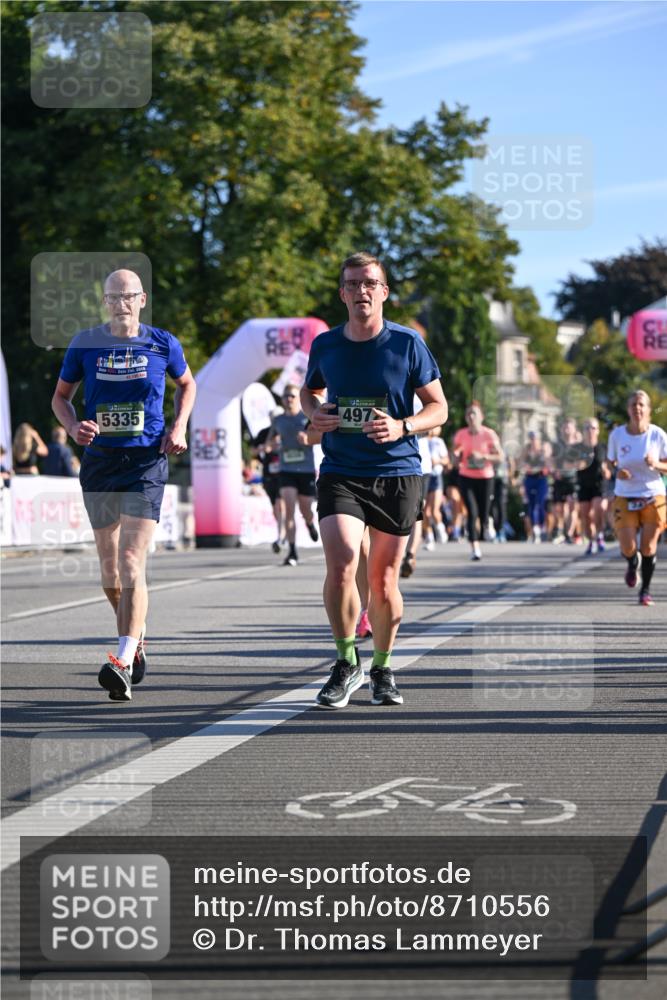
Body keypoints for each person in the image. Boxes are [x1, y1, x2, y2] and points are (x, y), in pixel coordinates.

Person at [301, 251, 447, 708]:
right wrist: (314, 413)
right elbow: (311, 389)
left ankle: (382, 668)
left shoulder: (406, 344)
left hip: (396, 473)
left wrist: (403, 425)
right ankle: (347, 662)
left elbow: (439, 408)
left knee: (382, 581)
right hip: (342, 469)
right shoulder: (326, 345)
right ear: (342, 293)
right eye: (352, 284)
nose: (361, 291)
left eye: (370, 283)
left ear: (383, 291)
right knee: (342, 560)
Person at [51, 268, 196, 701]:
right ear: (105, 302)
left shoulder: (162, 342)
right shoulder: (85, 344)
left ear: (142, 299)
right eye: (113, 297)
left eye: (129, 296)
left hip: (145, 462)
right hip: (99, 464)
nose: (121, 304)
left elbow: (186, 385)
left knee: (133, 562)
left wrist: (180, 426)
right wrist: (74, 425)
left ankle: (121, 657)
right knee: (111, 574)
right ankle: (138, 635)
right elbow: (60, 397)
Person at [607, 389, 667, 606]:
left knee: (649, 547)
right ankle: (633, 564)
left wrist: (656, 464)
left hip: (653, 494)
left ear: (648, 409)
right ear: (628, 409)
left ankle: (645, 590)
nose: (637, 408)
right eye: (634, 404)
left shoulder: (658, 435)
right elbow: (610, 462)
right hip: (625, 494)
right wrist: (617, 472)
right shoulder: (617, 435)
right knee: (627, 546)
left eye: (641, 404)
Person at [268, 384, 319, 566]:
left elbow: (318, 437)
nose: (288, 399)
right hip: (286, 470)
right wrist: (272, 446)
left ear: (298, 398)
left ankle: (310, 523)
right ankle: (292, 551)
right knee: (289, 509)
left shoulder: (306, 417)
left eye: (292, 396)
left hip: (305, 470)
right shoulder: (278, 420)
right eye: (285, 396)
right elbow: (270, 442)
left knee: (306, 510)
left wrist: (308, 438)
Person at [452, 403, 503, 561]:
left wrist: (484, 457)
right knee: (472, 512)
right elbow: (454, 457)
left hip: (485, 477)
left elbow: (500, 457)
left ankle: (488, 522)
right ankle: (475, 547)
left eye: (474, 414)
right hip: (466, 476)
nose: (471, 417)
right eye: (468, 414)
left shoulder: (489, 434)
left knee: (483, 511)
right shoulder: (461, 434)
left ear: (481, 417)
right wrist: (455, 456)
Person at [575, 418, 609, 555]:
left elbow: (610, 465)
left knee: (598, 508)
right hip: (583, 484)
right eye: (587, 428)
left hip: (598, 484)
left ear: (598, 430)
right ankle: (591, 540)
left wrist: (607, 471)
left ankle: (600, 535)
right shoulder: (578, 448)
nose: (590, 431)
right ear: (583, 431)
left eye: (593, 428)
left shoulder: (603, 447)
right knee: (585, 515)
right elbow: (570, 463)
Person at [254, 410, 285, 553]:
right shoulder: (264, 433)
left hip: (285, 472)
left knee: (281, 504)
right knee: (275, 507)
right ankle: (281, 528)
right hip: (268, 474)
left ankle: (281, 535)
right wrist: (262, 448)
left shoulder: (286, 429)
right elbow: (253, 451)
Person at [550, 416, 581, 544]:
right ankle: (562, 530)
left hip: (573, 479)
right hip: (560, 478)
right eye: (565, 427)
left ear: (574, 430)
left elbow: (582, 462)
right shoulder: (557, 445)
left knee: (572, 506)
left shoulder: (579, 445)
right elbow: (551, 460)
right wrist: (554, 471)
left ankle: (569, 533)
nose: (567, 430)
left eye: (569, 427)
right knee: (561, 508)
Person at [520, 430, 551, 543]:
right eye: (531, 438)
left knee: (540, 502)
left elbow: (548, 463)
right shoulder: (526, 449)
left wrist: (543, 456)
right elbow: (522, 463)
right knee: (531, 505)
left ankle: (541, 525)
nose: (533, 440)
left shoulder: (544, 448)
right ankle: (535, 528)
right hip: (529, 479)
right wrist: (526, 466)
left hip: (541, 479)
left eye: (536, 438)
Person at [423, 427, 449, 548]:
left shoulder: (439, 442)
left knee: (434, 510)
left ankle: (440, 527)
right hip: (424, 476)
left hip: (436, 477)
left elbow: (446, 460)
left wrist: (437, 461)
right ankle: (429, 537)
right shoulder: (421, 440)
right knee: (425, 512)